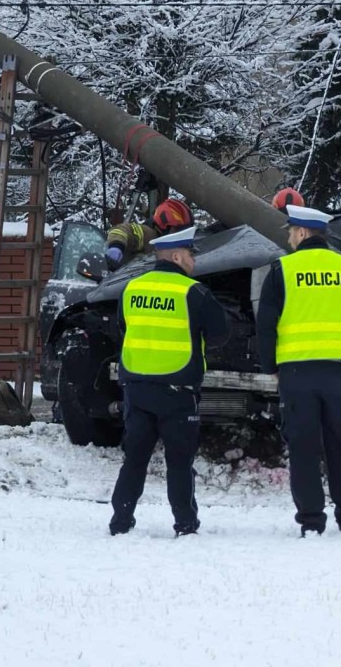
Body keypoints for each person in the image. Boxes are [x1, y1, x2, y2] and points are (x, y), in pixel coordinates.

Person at [256, 204, 341, 536]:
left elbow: (266, 324)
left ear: (301, 232)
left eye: (291, 232)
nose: (289, 238)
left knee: (303, 448)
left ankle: (312, 520)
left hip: (296, 375)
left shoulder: (282, 269)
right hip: (340, 374)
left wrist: (271, 367)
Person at [109, 225, 230, 537]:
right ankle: (185, 523)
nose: (194, 261)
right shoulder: (194, 292)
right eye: (190, 254)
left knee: (134, 459)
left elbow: (122, 329)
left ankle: (120, 520)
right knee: (179, 462)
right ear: (176, 256)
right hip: (177, 392)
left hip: (136, 390)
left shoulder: (131, 288)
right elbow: (220, 334)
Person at [104, 198, 192, 271]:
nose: (180, 235)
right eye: (177, 230)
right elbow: (122, 230)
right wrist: (117, 245)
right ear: (164, 225)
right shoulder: (147, 234)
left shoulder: (176, 246)